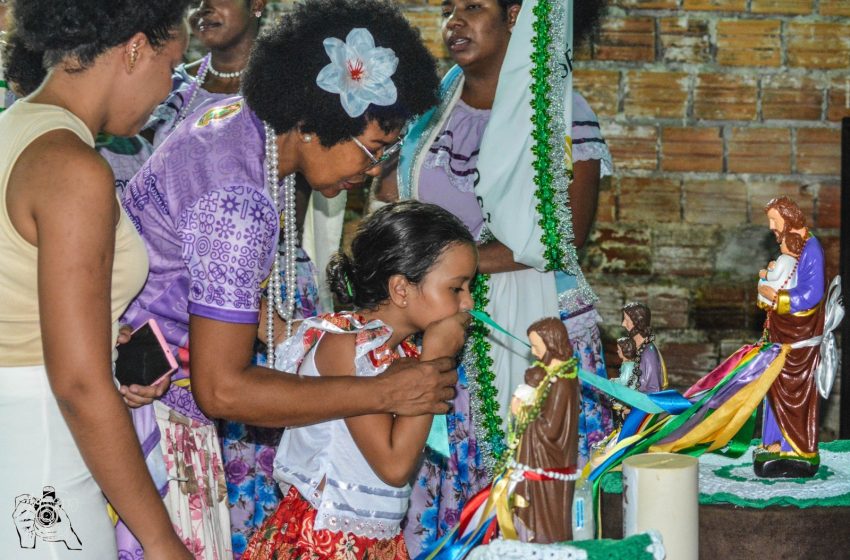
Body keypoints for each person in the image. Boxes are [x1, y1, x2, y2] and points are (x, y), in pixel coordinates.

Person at [120, 1, 459, 557]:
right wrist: (380, 391)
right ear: (315, 119)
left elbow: (202, 281)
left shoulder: (231, 124)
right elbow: (222, 388)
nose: (372, 172)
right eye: (373, 149)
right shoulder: (240, 200)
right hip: (150, 420)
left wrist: (292, 332)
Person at [381, 0, 612, 553]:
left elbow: (561, 238)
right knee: (448, 506)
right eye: (447, 9)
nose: (454, 21)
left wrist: (440, 263)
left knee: (533, 501)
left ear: (516, 16)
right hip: (439, 330)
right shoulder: (429, 115)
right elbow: (393, 208)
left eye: (473, 8)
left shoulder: (559, 112)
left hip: (533, 333)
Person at [0, 1, 192, 558]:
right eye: (171, 64)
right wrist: (160, 541)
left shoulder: (13, 129)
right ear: (135, 48)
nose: (167, 92)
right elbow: (79, 386)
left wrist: (105, 343)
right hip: (45, 456)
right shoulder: (72, 167)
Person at [243, 200, 476, 559]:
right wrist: (437, 356)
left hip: (375, 541)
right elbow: (395, 465)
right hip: (324, 541)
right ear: (401, 289)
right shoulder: (345, 347)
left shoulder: (401, 356)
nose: (468, 304)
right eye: (456, 289)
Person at [755, 196, 826, 478]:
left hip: (799, 338)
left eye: (774, 220)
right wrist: (768, 295)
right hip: (781, 333)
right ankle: (774, 444)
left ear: (787, 217)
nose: (772, 227)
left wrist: (779, 298)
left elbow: (812, 293)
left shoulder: (811, 247)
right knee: (773, 388)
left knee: (794, 394)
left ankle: (797, 451)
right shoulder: (790, 248)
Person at [148, 0, 266, 148]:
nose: (202, 8)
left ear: (256, 4)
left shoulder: (285, 90)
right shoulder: (170, 86)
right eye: (194, 2)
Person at [513, 318, 579, 544]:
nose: (533, 352)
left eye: (536, 346)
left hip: (550, 461)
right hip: (544, 460)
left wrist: (523, 410)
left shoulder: (561, 381)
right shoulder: (553, 376)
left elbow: (550, 430)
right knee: (540, 515)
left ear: (551, 345)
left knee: (548, 520)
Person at [621, 302, 667, 394]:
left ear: (638, 322)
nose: (623, 324)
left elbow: (654, 389)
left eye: (626, 320)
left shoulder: (648, 353)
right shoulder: (638, 348)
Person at [757, 231, 802, 308]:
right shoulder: (795, 260)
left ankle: (766, 303)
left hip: (781, 288)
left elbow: (775, 276)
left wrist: (765, 274)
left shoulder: (783, 258)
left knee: (762, 283)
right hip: (789, 287)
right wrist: (772, 268)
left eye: (782, 244)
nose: (780, 245)